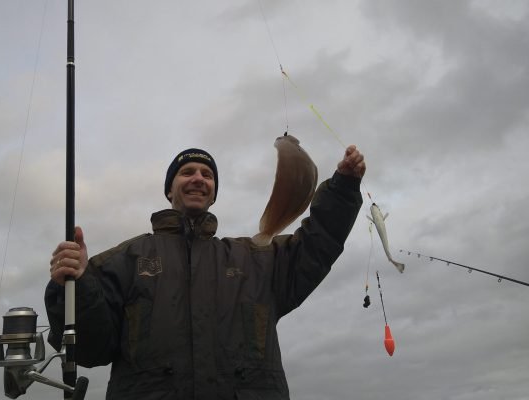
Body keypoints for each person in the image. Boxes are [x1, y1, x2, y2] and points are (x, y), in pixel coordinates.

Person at [45, 145, 365, 399]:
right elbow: (90, 349)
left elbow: (317, 245)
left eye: (207, 174)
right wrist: (78, 282)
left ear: (213, 192)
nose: (198, 178)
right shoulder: (124, 260)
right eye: (187, 172)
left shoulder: (258, 260)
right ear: (170, 190)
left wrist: (343, 189)